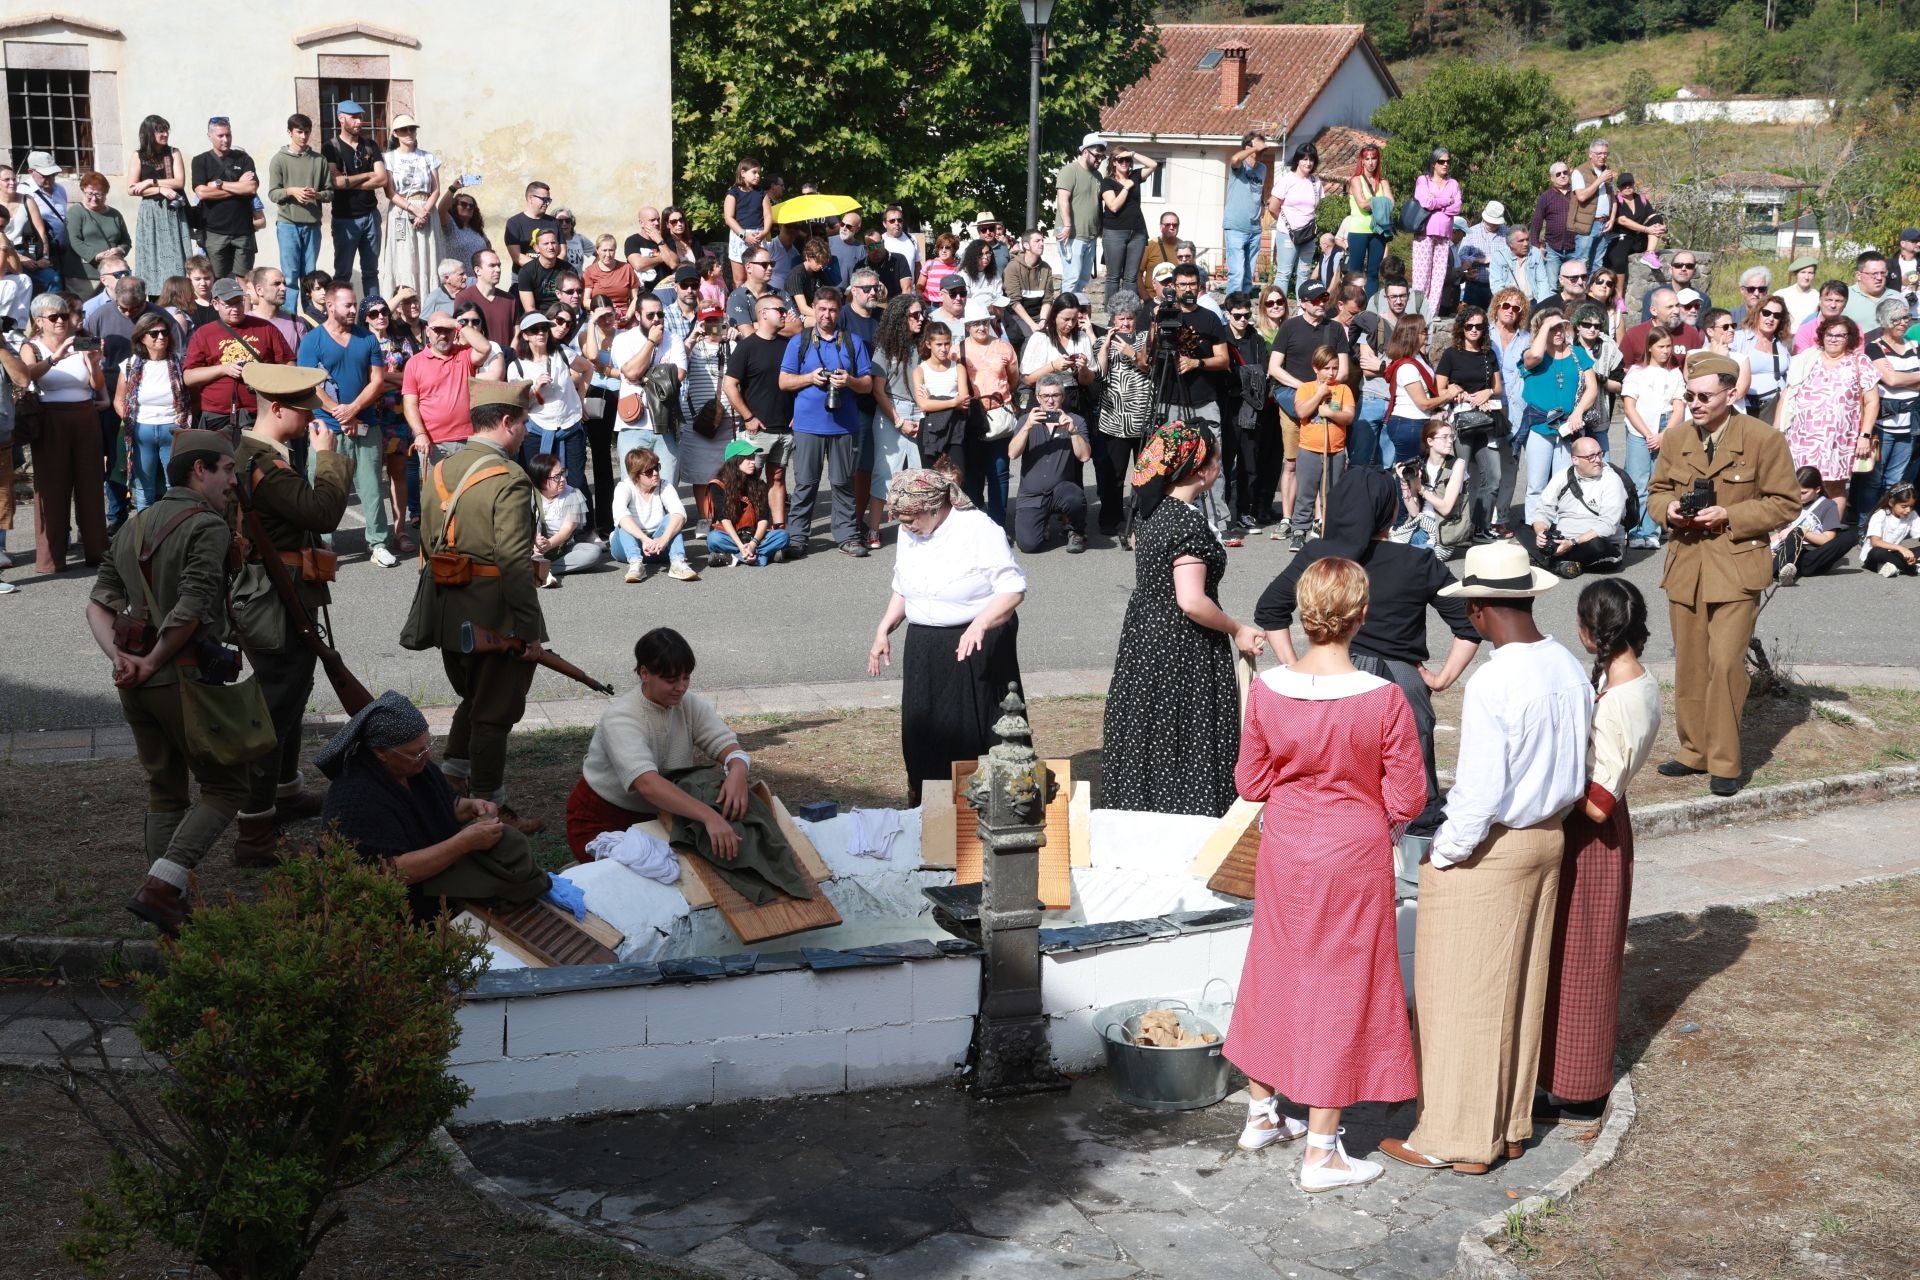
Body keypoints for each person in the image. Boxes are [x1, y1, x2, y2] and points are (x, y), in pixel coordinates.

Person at [1377, 541, 1590, 1176]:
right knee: (1520, 986)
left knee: (1458, 996)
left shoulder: (1497, 678)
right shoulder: (1566, 663)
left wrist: (1443, 856)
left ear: (1476, 610)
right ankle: (1508, 1124)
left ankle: (1456, 1138)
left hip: (1492, 846)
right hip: (1549, 837)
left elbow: (1478, 792)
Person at [1224, 556, 1426, 1186]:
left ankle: (1261, 1112)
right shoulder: (1383, 698)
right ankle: (1322, 1147)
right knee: (1342, 982)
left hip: (1286, 844)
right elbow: (1408, 796)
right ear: (1360, 615)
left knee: (1274, 964)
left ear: (1305, 615)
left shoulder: (1268, 689)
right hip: (1352, 851)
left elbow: (1251, 781)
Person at [86, 428, 250, 932]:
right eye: (227, 471)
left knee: (165, 791)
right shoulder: (208, 525)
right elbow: (194, 604)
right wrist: (154, 660)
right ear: (199, 469)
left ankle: (166, 903)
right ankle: (161, 887)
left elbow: (97, 602)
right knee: (226, 787)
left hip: (136, 677)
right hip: (178, 675)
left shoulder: (135, 523)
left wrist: (122, 658)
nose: (233, 482)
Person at [1257, 469, 1480, 835]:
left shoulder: (1318, 556)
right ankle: (1411, 861)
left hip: (1332, 677)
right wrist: (1442, 678)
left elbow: (1270, 610)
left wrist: (1295, 665)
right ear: (1390, 512)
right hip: (1402, 684)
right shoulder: (1419, 561)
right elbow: (1470, 623)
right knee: (1412, 794)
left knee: (1332, 786)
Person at [1535, 578, 1661, 1122]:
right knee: (1582, 955)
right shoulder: (1639, 681)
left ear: (1591, 633)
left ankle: (1576, 1088)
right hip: (1606, 839)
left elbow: (1597, 803)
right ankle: (1567, 1079)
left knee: (1579, 960)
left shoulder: (1617, 701)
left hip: (1592, 843)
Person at [399, 381, 550, 830]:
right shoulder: (509, 478)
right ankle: (489, 807)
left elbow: (428, 542)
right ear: (506, 422)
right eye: (523, 422)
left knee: (474, 697)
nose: (526, 430)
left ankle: (451, 781)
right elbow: (513, 562)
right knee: (494, 713)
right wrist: (529, 627)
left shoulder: (440, 470)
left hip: (447, 609)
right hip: (494, 616)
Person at [1649, 352, 1799, 797]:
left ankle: (1725, 761)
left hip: (1735, 565)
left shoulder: (1762, 439)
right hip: (1687, 565)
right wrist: (1670, 511)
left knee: (1727, 664)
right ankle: (1693, 751)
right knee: (1691, 663)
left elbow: (1785, 503)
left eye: (1704, 396)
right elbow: (1656, 493)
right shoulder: (1676, 439)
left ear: (1731, 394)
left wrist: (1729, 513)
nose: (1694, 403)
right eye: (1689, 395)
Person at [1103, 421, 1265, 817]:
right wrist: (1237, 628)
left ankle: (1144, 811)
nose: (1219, 465)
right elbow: (1191, 601)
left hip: (1145, 634)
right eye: (1215, 458)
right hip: (1181, 643)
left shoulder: (1150, 509)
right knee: (1184, 729)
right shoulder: (1185, 522)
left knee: (1149, 726)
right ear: (1198, 468)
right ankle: (1188, 817)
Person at [227, 364, 351, 861]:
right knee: (275, 708)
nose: (310, 418)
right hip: (277, 597)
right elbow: (322, 513)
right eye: (303, 410)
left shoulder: (258, 455)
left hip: (283, 591)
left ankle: (283, 792)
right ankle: (255, 833)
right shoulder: (265, 464)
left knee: (291, 694)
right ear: (276, 409)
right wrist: (327, 459)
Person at [318, 690, 558, 922]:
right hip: (396, 900)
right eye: (416, 752)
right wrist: (463, 843)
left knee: (509, 846)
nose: (427, 756)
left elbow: (445, 804)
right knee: (507, 873)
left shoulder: (415, 768)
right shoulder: (356, 798)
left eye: (427, 745)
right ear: (381, 753)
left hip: (432, 870)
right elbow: (388, 872)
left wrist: (472, 806)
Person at [867, 469, 1026, 804]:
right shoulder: (913, 530)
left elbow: (1012, 589)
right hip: (925, 646)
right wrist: (884, 629)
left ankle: (982, 806)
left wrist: (981, 624)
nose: (905, 526)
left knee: (970, 730)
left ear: (935, 507)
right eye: (900, 519)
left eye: (910, 519)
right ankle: (929, 804)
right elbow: (903, 587)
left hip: (975, 644)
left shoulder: (978, 529)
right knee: (921, 730)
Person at [12, 292, 108, 574]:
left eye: (65, 316)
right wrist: (56, 357)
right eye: (54, 317)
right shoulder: (33, 346)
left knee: (90, 485)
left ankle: (97, 553)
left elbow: (96, 383)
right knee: (52, 489)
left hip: (85, 416)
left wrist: (92, 362)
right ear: (38, 321)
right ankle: (51, 558)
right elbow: (26, 375)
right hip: (51, 418)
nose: (61, 321)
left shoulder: (82, 341)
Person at [296, 281, 391, 564]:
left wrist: (354, 409)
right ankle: (322, 546)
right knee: (323, 488)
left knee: (372, 488)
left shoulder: (368, 338)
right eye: (348, 305)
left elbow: (378, 380)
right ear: (330, 306)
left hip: (366, 425)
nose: (353, 310)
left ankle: (378, 544)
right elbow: (310, 383)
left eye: (354, 304)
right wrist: (340, 412)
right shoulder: (313, 340)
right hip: (326, 428)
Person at [779, 286, 873, 558]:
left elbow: (867, 385)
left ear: (839, 310)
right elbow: (784, 381)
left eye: (832, 310)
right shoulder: (800, 341)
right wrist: (810, 378)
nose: (827, 315)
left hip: (844, 425)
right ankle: (797, 538)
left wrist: (849, 381)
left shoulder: (852, 342)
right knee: (805, 483)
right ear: (814, 308)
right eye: (822, 309)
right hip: (808, 425)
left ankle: (847, 535)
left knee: (843, 482)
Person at [1784, 315, 1878, 522]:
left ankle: (1827, 537)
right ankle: (1794, 534)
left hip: (1838, 440)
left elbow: (1872, 402)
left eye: (1840, 335)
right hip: (1802, 438)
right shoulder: (1808, 359)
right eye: (1829, 334)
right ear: (1822, 335)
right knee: (1797, 484)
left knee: (1834, 486)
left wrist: (1864, 435)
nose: (1834, 339)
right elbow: (1788, 394)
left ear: (1849, 338)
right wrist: (1778, 430)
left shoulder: (1859, 362)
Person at [1517, 309, 1599, 524]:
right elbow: (1533, 357)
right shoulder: (1532, 354)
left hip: (1569, 426)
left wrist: (1578, 413)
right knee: (1537, 484)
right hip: (1539, 426)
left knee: (1564, 481)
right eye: (1552, 328)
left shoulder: (1577, 354)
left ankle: (1562, 526)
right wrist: (1546, 324)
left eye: (1560, 326)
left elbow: (1592, 388)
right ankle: (1535, 527)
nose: (1557, 331)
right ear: (1541, 330)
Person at [1435, 305, 1506, 540]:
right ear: (1462, 328)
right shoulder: (1451, 354)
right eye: (1469, 326)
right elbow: (1440, 389)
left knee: (1493, 476)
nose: (1474, 330)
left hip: (1486, 422)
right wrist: (1464, 395)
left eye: (1479, 326)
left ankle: (1480, 527)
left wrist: (1487, 392)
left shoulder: (1488, 354)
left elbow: (1498, 388)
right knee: (1458, 476)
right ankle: (1453, 527)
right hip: (1462, 421)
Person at [508, 312, 592, 497]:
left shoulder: (561, 352)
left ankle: (581, 526)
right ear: (525, 335)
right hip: (536, 431)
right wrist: (536, 388)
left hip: (569, 427)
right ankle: (541, 525)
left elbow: (588, 368)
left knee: (576, 483)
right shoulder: (517, 366)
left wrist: (580, 398)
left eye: (545, 328)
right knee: (538, 482)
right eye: (535, 330)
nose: (541, 333)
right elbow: (518, 407)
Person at [114, 313, 191, 511]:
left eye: (164, 332)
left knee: (174, 487)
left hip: (173, 429)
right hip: (141, 431)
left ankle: (173, 533)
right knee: (143, 489)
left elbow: (191, 397)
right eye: (154, 333)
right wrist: (130, 422)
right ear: (141, 337)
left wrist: (185, 420)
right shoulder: (130, 365)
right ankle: (145, 536)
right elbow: (119, 400)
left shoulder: (179, 363)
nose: (160, 337)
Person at [1007, 374, 1091, 554]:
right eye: (1045, 396)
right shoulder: (1025, 421)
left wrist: (1073, 432)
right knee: (1028, 546)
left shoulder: (1075, 421)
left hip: (1061, 491)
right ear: (1038, 398)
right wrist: (1028, 426)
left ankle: (1076, 531)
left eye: (1055, 395)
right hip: (1032, 495)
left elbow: (1084, 456)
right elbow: (1012, 453)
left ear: (1063, 396)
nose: (1050, 401)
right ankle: (1041, 520)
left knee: (1075, 498)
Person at [1618, 325, 1685, 551]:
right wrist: (1648, 434)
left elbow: (1678, 407)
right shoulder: (1637, 372)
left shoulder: (1674, 373)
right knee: (1638, 481)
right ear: (1650, 347)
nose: (1667, 351)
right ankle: (1635, 530)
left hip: (1665, 427)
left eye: (1669, 347)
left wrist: (1664, 435)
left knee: (1658, 482)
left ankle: (1651, 529)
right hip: (1641, 430)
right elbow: (1629, 407)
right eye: (1661, 347)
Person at [867, 294, 927, 538]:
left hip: (921, 410)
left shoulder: (925, 344)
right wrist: (899, 421)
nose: (921, 319)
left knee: (919, 474)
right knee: (885, 472)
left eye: (922, 313)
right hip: (892, 409)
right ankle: (873, 529)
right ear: (900, 318)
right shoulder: (884, 347)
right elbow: (877, 390)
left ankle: (920, 530)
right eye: (915, 315)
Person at [957, 299, 1021, 524]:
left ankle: (998, 525)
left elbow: (1013, 378)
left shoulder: (1004, 347)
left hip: (999, 415)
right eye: (975, 324)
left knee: (999, 473)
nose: (981, 327)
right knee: (973, 475)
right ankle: (977, 525)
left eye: (984, 322)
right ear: (967, 326)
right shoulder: (959, 349)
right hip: (972, 419)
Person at [1094, 292, 1152, 539]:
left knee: (1145, 474)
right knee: (1113, 476)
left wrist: (1130, 352)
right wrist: (1106, 347)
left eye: (1129, 318)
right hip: (1114, 419)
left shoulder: (1145, 339)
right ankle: (1110, 518)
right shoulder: (1102, 340)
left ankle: (1141, 517)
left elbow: (1149, 367)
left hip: (1142, 418)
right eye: (1121, 318)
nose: (1125, 323)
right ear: (1113, 318)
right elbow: (1099, 374)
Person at [1528, 435, 1629, 578]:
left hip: (1594, 542)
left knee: (1597, 547)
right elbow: (1543, 509)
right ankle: (1562, 561)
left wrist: (1572, 542)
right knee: (1523, 531)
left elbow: (1608, 525)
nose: (1598, 460)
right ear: (1575, 459)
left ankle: (1551, 562)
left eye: (1599, 454)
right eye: (1591, 457)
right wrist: (1541, 533)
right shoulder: (1562, 476)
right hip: (1563, 538)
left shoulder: (1612, 480)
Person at [1860, 297, 1920, 517]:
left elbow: (1894, 378)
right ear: (1885, 321)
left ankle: (1885, 523)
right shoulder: (1874, 348)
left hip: (1910, 427)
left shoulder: (1915, 347)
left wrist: (1898, 377)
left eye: (1906, 316)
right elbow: (1890, 380)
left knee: (1895, 481)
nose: (1903, 322)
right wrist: (1910, 379)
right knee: (1872, 481)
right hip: (1883, 426)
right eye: (1897, 318)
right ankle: (1864, 523)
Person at [322, 101, 385, 296]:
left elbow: (382, 178)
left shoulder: (370, 145)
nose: (359, 122)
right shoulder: (331, 147)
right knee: (342, 273)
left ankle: (372, 314)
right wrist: (367, 175)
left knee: (371, 272)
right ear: (341, 118)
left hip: (371, 216)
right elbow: (336, 182)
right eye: (354, 117)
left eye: (361, 117)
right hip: (345, 219)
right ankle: (340, 316)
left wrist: (349, 181)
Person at [610, 444, 699, 583]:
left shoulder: (665, 486)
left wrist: (664, 538)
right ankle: (635, 565)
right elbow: (620, 514)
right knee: (623, 524)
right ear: (636, 476)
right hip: (626, 548)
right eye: (649, 471)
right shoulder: (624, 487)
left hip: (659, 546)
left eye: (657, 467)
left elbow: (680, 514)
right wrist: (645, 540)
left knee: (673, 518)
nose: (656, 473)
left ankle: (677, 563)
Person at [1291, 345, 1354, 539]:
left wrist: (1331, 413)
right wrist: (1319, 394)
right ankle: (1300, 529)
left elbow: (1349, 416)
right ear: (1316, 368)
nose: (1331, 372)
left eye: (1335, 368)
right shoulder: (1305, 388)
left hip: (1335, 451)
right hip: (1309, 450)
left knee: (1331, 493)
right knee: (1305, 492)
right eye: (1326, 368)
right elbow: (1301, 412)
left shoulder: (1343, 389)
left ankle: (1329, 529)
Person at [379, 113, 441, 300]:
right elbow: (390, 192)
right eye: (403, 130)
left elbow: (436, 189)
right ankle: (403, 302)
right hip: (401, 211)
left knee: (427, 256)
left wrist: (424, 211)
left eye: (411, 129)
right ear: (396, 133)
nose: (408, 133)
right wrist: (413, 209)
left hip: (427, 210)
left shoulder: (428, 157)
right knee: (404, 257)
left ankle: (429, 302)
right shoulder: (388, 158)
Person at [126, 116, 193, 287]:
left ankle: (178, 293)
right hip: (150, 212)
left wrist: (150, 182)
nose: (165, 134)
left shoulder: (173, 152)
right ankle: (154, 297)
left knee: (176, 256)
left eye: (166, 130)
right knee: (151, 256)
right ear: (149, 133)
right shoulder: (138, 155)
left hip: (172, 211)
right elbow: (132, 189)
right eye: (160, 130)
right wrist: (159, 189)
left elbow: (179, 182)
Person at [1382, 314, 1456, 469]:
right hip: (1409, 423)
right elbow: (1423, 404)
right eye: (1423, 331)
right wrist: (1449, 395)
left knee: (1417, 474)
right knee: (1408, 475)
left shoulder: (1419, 358)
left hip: (1416, 422)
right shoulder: (1407, 367)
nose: (1427, 334)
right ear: (1412, 335)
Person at [191, 118, 259, 278]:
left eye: (228, 135)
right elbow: (202, 192)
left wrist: (218, 184)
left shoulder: (244, 159)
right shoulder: (200, 161)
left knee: (245, 282)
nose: (226, 140)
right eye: (221, 136)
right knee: (217, 282)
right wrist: (238, 187)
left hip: (243, 231)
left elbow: (251, 188)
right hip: (214, 232)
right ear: (209, 136)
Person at [1771, 464, 1859, 585]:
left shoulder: (1828, 505)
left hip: (1811, 556)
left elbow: (1827, 540)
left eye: (1803, 492)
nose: (1798, 496)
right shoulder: (1790, 503)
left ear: (1817, 489)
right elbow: (1779, 534)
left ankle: (1784, 569)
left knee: (1851, 535)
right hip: (1786, 551)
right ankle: (1780, 569)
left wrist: (1803, 532)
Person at [707, 439, 791, 567]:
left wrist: (753, 544)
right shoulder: (718, 485)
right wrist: (741, 546)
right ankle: (762, 557)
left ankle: (733, 557)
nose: (753, 462)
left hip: (755, 536)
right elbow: (723, 517)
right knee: (713, 539)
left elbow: (764, 518)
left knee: (783, 536)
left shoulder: (759, 484)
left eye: (753, 458)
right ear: (735, 461)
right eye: (748, 459)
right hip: (731, 535)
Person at [527, 451, 602, 584]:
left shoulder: (572, 494)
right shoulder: (530, 494)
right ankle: (538, 562)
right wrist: (536, 541)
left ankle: (544, 569)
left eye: (562, 473)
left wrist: (548, 544)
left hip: (562, 548)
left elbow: (567, 530)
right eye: (556, 477)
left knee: (594, 552)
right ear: (542, 480)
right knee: (535, 520)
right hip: (533, 547)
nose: (562, 479)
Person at [1401, 419, 1468, 559]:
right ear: (1430, 441)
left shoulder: (1457, 464)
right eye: (1444, 437)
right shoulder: (1420, 464)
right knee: (1389, 547)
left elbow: (1446, 508)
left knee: (1410, 558)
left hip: (1443, 532)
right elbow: (1413, 512)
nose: (1450, 441)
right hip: (1421, 524)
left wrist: (1421, 489)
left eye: (1451, 436)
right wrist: (1404, 482)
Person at [59, 172, 132, 296]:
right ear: (83, 191)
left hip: (113, 274)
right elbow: (74, 240)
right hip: (84, 275)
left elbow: (126, 240)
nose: (94, 198)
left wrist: (120, 250)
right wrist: (95, 256)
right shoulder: (76, 212)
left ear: (105, 194)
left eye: (99, 194)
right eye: (90, 194)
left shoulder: (115, 214)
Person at [1409, 149, 1462, 312]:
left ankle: (1432, 313)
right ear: (1433, 164)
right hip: (1424, 232)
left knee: (1438, 277)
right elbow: (1425, 202)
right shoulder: (1423, 180)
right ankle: (1417, 312)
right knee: (1421, 276)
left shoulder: (1453, 183)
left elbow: (1457, 207)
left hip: (1444, 234)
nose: (1445, 164)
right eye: (1441, 161)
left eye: (1448, 161)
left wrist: (1437, 202)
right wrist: (1447, 200)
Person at [1100, 148, 1155, 304]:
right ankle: (1112, 315)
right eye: (1120, 160)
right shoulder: (1107, 182)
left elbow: (1153, 165)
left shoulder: (1135, 176)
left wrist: (1132, 154)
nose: (1124, 163)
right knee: (1113, 276)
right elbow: (1114, 206)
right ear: (1113, 162)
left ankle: (1129, 313)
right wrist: (1126, 188)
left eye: (1127, 160)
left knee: (1131, 277)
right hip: (1114, 233)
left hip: (1137, 232)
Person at [1054, 133, 1106, 296]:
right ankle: (1062, 316)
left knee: (1083, 279)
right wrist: (1068, 225)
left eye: (1102, 157)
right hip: (1072, 235)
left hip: (1089, 235)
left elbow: (1097, 204)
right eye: (1097, 156)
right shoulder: (1070, 170)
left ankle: (1074, 314)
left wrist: (1101, 227)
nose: (1099, 160)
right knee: (1072, 278)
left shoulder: (1098, 176)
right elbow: (1063, 199)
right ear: (1085, 152)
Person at [1220, 132, 1271, 296]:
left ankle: (1245, 306)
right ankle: (1232, 307)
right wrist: (1253, 148)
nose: (1262, 151)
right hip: (1236, 226)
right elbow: (1234, 159)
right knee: (1237, 272)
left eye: (1263, 149)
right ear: (1248, 148)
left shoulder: (1263, 169)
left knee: (1249, 275)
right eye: (1258, 148)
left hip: (1254, 228)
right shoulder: (1240, 166)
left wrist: (1262, 204)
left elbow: (1258, 190)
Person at [1341, 144, 1392, 299]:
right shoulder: (1356, 180)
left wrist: (1374, 202)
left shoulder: (1383, 182)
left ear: (1378, 160)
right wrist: (1380, 202)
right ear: (1362, 161)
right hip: (1358, 231)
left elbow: (1391, 203)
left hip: (1378, 231)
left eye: (1374, 158)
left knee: (1373, 273)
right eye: (1367, 159)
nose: (1371, 162)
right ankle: (1350, 304)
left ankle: (1370, 307)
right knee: (1354, 272)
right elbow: (1362, 204)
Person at [1734, 292, 1793, 426]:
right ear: (1757, 313)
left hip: (1775, 409)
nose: (1771, 318)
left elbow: (1791, 377)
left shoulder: (1783, 345)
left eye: (1776, 316)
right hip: (1745, 407)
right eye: (1766, 313)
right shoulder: (1739, 339)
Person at [1567, 138, 1616, 275]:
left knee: (1598, 263)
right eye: (1599, 153)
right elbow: (1581, 196)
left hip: (1604, 223)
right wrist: (1600, 180)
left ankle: (1592, 294)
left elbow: (1613, 198)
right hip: (1588, 224)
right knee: (1582, 261)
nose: (1603, 156)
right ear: (1590, 154)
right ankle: (1578, 295)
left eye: (1605, 153)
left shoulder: (1607, 171)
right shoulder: (1579, 172)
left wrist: (1611, 219)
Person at [456, 249, 521, 347]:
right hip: (476, 359)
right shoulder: (464, 298)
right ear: (477, 270)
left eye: (499, 265)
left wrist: (510, 354)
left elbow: (517, 332)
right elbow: (461, 332)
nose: (498, 270)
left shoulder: (510, 300)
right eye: (492, 266)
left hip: (506, 359)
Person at [1528, 162, 1577, 287]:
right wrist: (1536, 246)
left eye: (1565, 172)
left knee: (1576, 284)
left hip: (1577, 248)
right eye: (1558, 174)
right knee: (1550, 285)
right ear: (1552, 178)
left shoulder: (1578, 193)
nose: (1562, 176)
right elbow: (1536, 223)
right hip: (1553, 249)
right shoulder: (1546, 196)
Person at [1861, 483, 1920, 578]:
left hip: (1896, 554)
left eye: (1911, 506)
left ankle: (1895, 567)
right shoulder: (1880, 514)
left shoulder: (1912, 515)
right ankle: (1913, 568)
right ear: (1891, 503)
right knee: (1877, 552)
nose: (1908, 510)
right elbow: (1875, 542)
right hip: (1876, 556)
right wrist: (1900, 548)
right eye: (1904, 506)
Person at [438, 179, 491, 282]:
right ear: (454, 207)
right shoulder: (450, 225)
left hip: (480, 282)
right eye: (463, 204)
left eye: (471, 206)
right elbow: (441, 210)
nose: (468, 207)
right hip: (459, 283)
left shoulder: (476, 229)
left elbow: (488, 244)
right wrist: (453, 188)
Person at [722, 158, 770, 268]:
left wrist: (765, 232)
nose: (758, 176)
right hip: (740, 235)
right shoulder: (733, 193)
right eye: (754, 172)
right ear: (743, 173)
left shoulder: (762, 193)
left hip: (759, 235)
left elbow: (767, 215)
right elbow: (728, 218)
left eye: (759, 173)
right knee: (740, 278)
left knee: (759, 272)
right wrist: (744, 235)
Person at [1792, 280, 1850, 353]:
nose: (1833, 305)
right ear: (1820, 300)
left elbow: (1859, 361)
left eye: (1838, 301)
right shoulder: (1805, 330)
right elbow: (1801, 361)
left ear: (1845, 303)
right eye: (1828, 300)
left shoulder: (1853, 330)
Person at [1776, 256, 1822, 329]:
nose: (1806, 277)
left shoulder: (1819, 297)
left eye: (1810, 273)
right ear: (1795, 274)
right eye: (1803, 272)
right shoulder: (1781, 294)